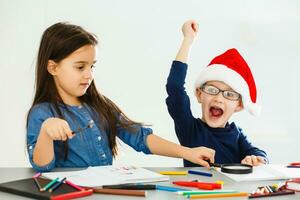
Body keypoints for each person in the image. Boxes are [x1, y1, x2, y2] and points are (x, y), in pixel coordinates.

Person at [26, 22, 215, 172]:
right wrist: (45, 133)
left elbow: (140, 138)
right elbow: (42, 166)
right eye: (80, 67)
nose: (89, 75)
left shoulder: (101, 106)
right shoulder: (42, 113)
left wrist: (188, 152)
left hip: (104, 192)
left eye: (92, 66)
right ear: (53, 68)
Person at [166, 20, 268, 167]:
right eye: (212, 90)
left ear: (239, 105)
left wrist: (258, 159)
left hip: (232, 191)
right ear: (199, 94)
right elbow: (175, 88)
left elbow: (258, 153)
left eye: (229, 94)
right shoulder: (190, 129)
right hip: (197, 189)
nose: (219, 98)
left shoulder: (237, 134)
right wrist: (188, 40)